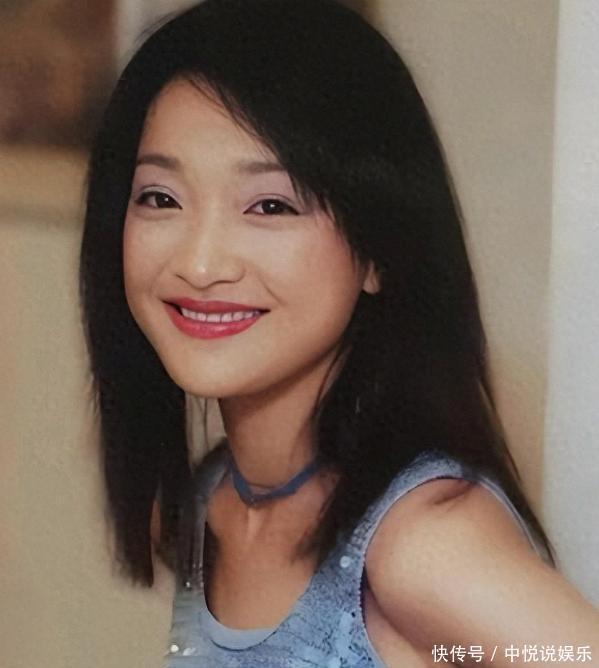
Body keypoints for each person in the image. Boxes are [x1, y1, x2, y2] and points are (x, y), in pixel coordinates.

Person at [78, 0, 599, 665]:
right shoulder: (213, 504)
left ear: (378, 250)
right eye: (160, 198)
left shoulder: (423, 547)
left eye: (270, 205)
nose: (200, 264)